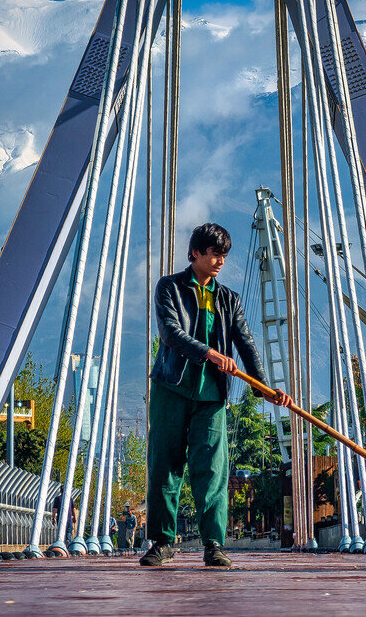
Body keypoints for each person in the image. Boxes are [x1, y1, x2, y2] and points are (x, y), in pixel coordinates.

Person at [140, 223, 292, 568]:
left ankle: (213, 544)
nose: (220, 260)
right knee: (165, 465)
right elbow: (170, 332)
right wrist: (208, 353)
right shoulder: (170, 288)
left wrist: (264, 388)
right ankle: (162, 542)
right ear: (195, 253)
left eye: (223, 255)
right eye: (214, 254)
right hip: (171, 389)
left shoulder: (229, 299)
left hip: (211, 397)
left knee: (212, 469)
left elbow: (247, 346)